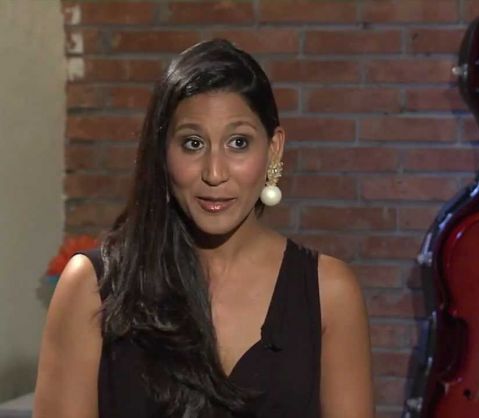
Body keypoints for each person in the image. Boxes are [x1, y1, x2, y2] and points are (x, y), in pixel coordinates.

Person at [32, 39, 374, 418]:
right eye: (193, 144)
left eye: (238, 143)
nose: (214, 173)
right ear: (162, 151)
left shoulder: (329, 293)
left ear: (274, 149)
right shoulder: (92, 288)